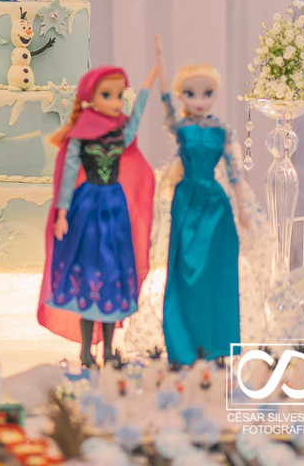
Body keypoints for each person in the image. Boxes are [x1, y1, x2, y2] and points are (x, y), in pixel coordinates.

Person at [37, 64, 157, 368]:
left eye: (119, 95)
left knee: (111, 276)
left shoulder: (120, 131)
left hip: (114, 209)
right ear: (92, 96)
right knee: (89, 273)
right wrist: (62, 212)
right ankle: (87, 352)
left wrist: (147, 85)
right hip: (87, 207)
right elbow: (66, 174)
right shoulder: (80, 136)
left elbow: (136, 122)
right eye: (108, 94)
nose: (116, 102)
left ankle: (107, 350)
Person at [153, 36, 247, 365]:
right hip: (187, 202)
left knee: (218, 275)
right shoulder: (181, 129)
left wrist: (243, 210)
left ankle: (217, 347)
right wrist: (161, 59)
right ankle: (183, 347)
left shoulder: (222, 130)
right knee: (184, 271)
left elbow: (234, 174)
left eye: (207, 93)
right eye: (191, 93)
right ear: (182, 96)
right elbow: (165, 100)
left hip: (216, 206)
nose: (200, 100)